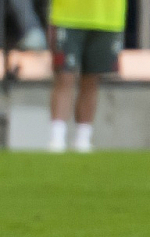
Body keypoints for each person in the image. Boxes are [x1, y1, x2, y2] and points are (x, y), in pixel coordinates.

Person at [47, 0, 127, 152]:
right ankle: (56, 139)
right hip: (67, 15)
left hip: (107, 17)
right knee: (64, 76)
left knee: (91, 80)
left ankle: (83, 139)